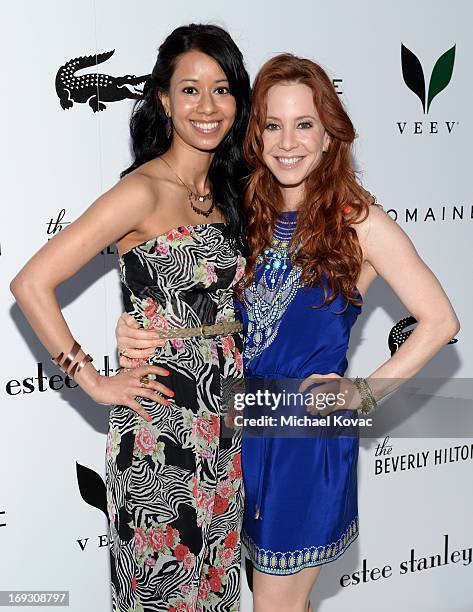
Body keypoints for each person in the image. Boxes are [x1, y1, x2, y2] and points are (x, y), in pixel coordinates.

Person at [115, 53, 460, 612]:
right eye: (273, 125)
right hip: (233, 431)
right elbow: (229, 317)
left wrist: (361, 393)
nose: (287, 142)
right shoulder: (245, 212)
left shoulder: (359, 222)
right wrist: (146, 329)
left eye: (305, 125)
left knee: (274, 605)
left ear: (330, 136)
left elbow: (441, 321)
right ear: (256, 135)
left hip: (304, 440)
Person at [10, 23, 251, 612]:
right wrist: (92, 379)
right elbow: (31, 282)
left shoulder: (230, 191)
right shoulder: (141, 192)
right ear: (164, 100)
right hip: (160, 431)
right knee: (163, 594)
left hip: (225, 425)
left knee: (217, 593)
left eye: (221, 89)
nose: (207, 106)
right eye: (189, 89)